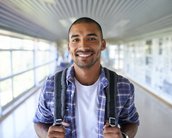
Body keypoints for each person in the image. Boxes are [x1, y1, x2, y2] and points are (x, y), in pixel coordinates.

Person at [33, 17, 139, 138]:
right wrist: (47, 135)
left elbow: (131, 121)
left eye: (91, 38)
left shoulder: (123, 86)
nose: (83, 46)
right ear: (69, 47)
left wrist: (123, 136)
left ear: (102, 44)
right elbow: (39, 122)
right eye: (75, 39)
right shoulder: (51, 85)